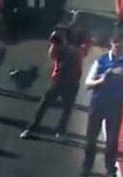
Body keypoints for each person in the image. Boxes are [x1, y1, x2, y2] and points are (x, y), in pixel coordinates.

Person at [81, 30, 123, 177]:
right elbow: (88, 83)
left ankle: (110, 170)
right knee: (91, 138)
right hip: (98, 101)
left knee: (112, 140)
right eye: (116, 44)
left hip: (115, 104)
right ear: (111, 43)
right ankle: (87, 166)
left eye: (121, 44)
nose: (118, 47)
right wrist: (101, 80)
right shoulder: (101, 60)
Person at [20, 12, 87, 140]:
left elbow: (82, 52)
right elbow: (52, 55)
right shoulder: (64, 33)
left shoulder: (83, 38)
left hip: (73, 76)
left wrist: (65, 45)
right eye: (75, 23)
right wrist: (55, 43)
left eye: (79, 24)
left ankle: (60, 131)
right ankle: (32, 127)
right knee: (44, 104)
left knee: (67, 108)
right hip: (59, 75)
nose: (77, 27)